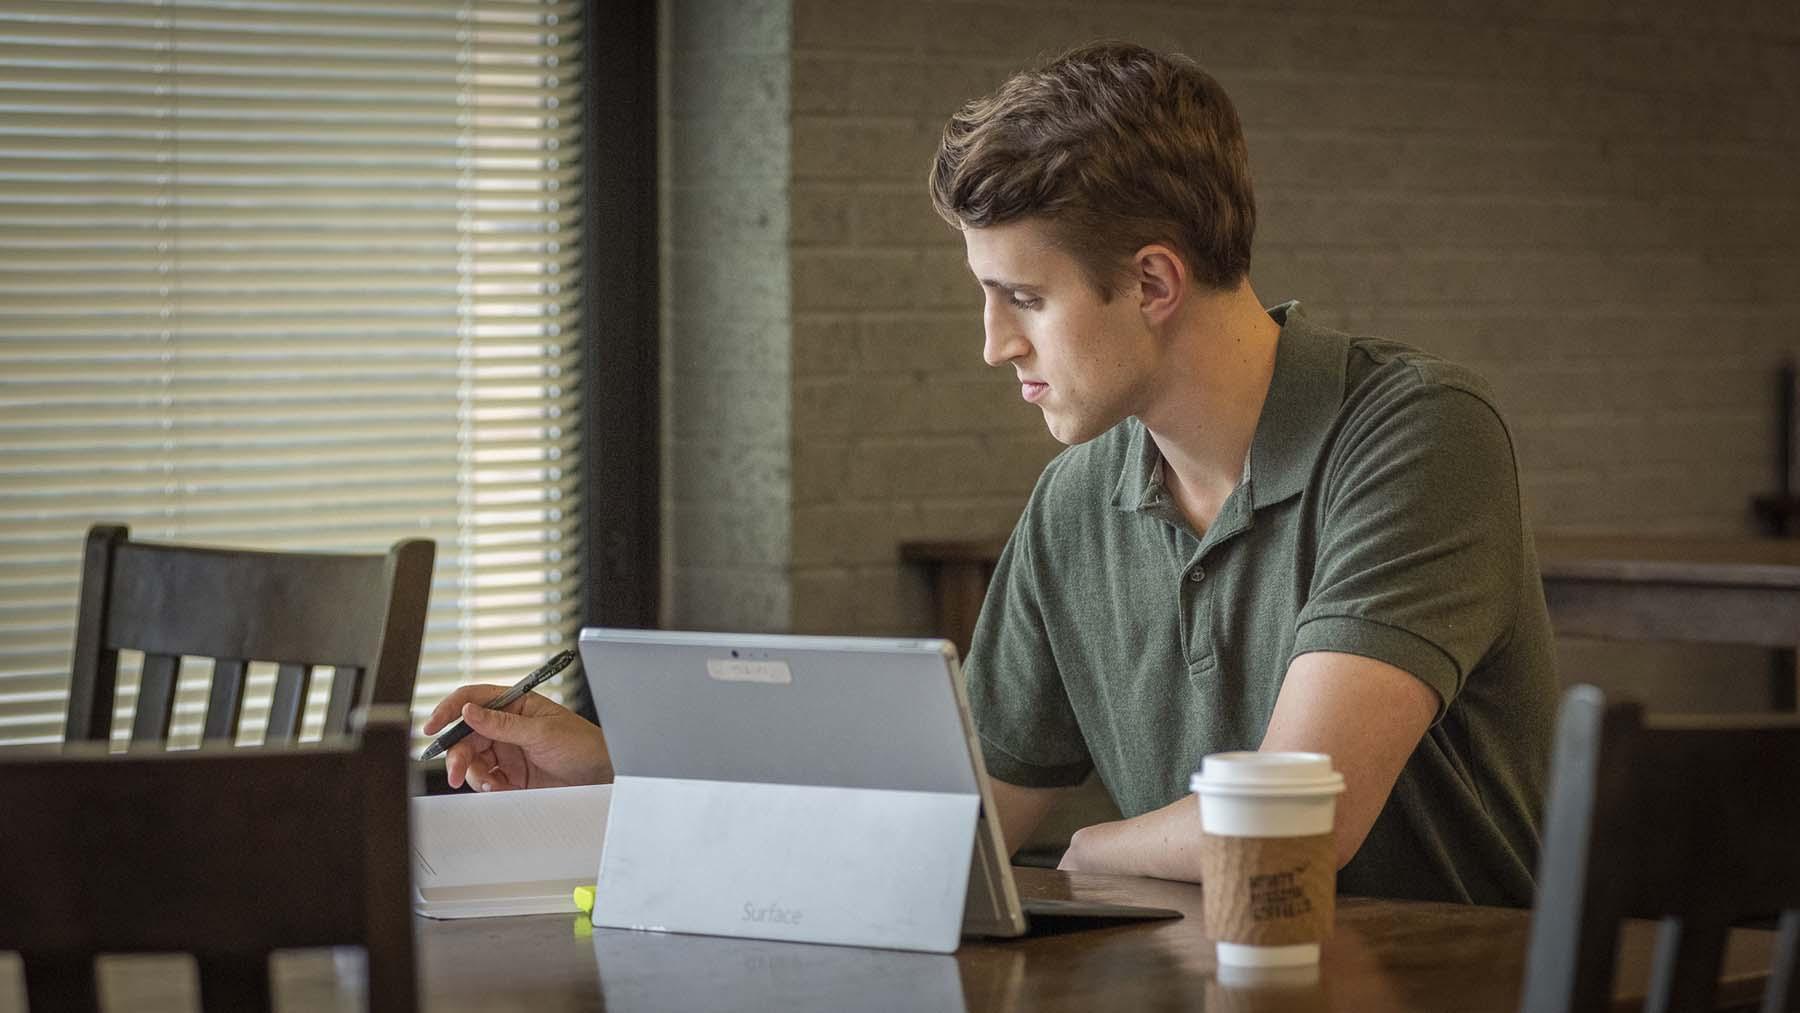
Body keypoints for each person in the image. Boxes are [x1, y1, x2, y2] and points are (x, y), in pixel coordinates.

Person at [425, 40, 1555, 907]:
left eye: (1024, 296)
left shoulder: (1415, 436)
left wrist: (1094, 843)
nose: (993, 344)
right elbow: (948, 809)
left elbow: (1293, 827)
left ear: (1154, 281)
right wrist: (623, 764)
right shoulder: (1079, 500)